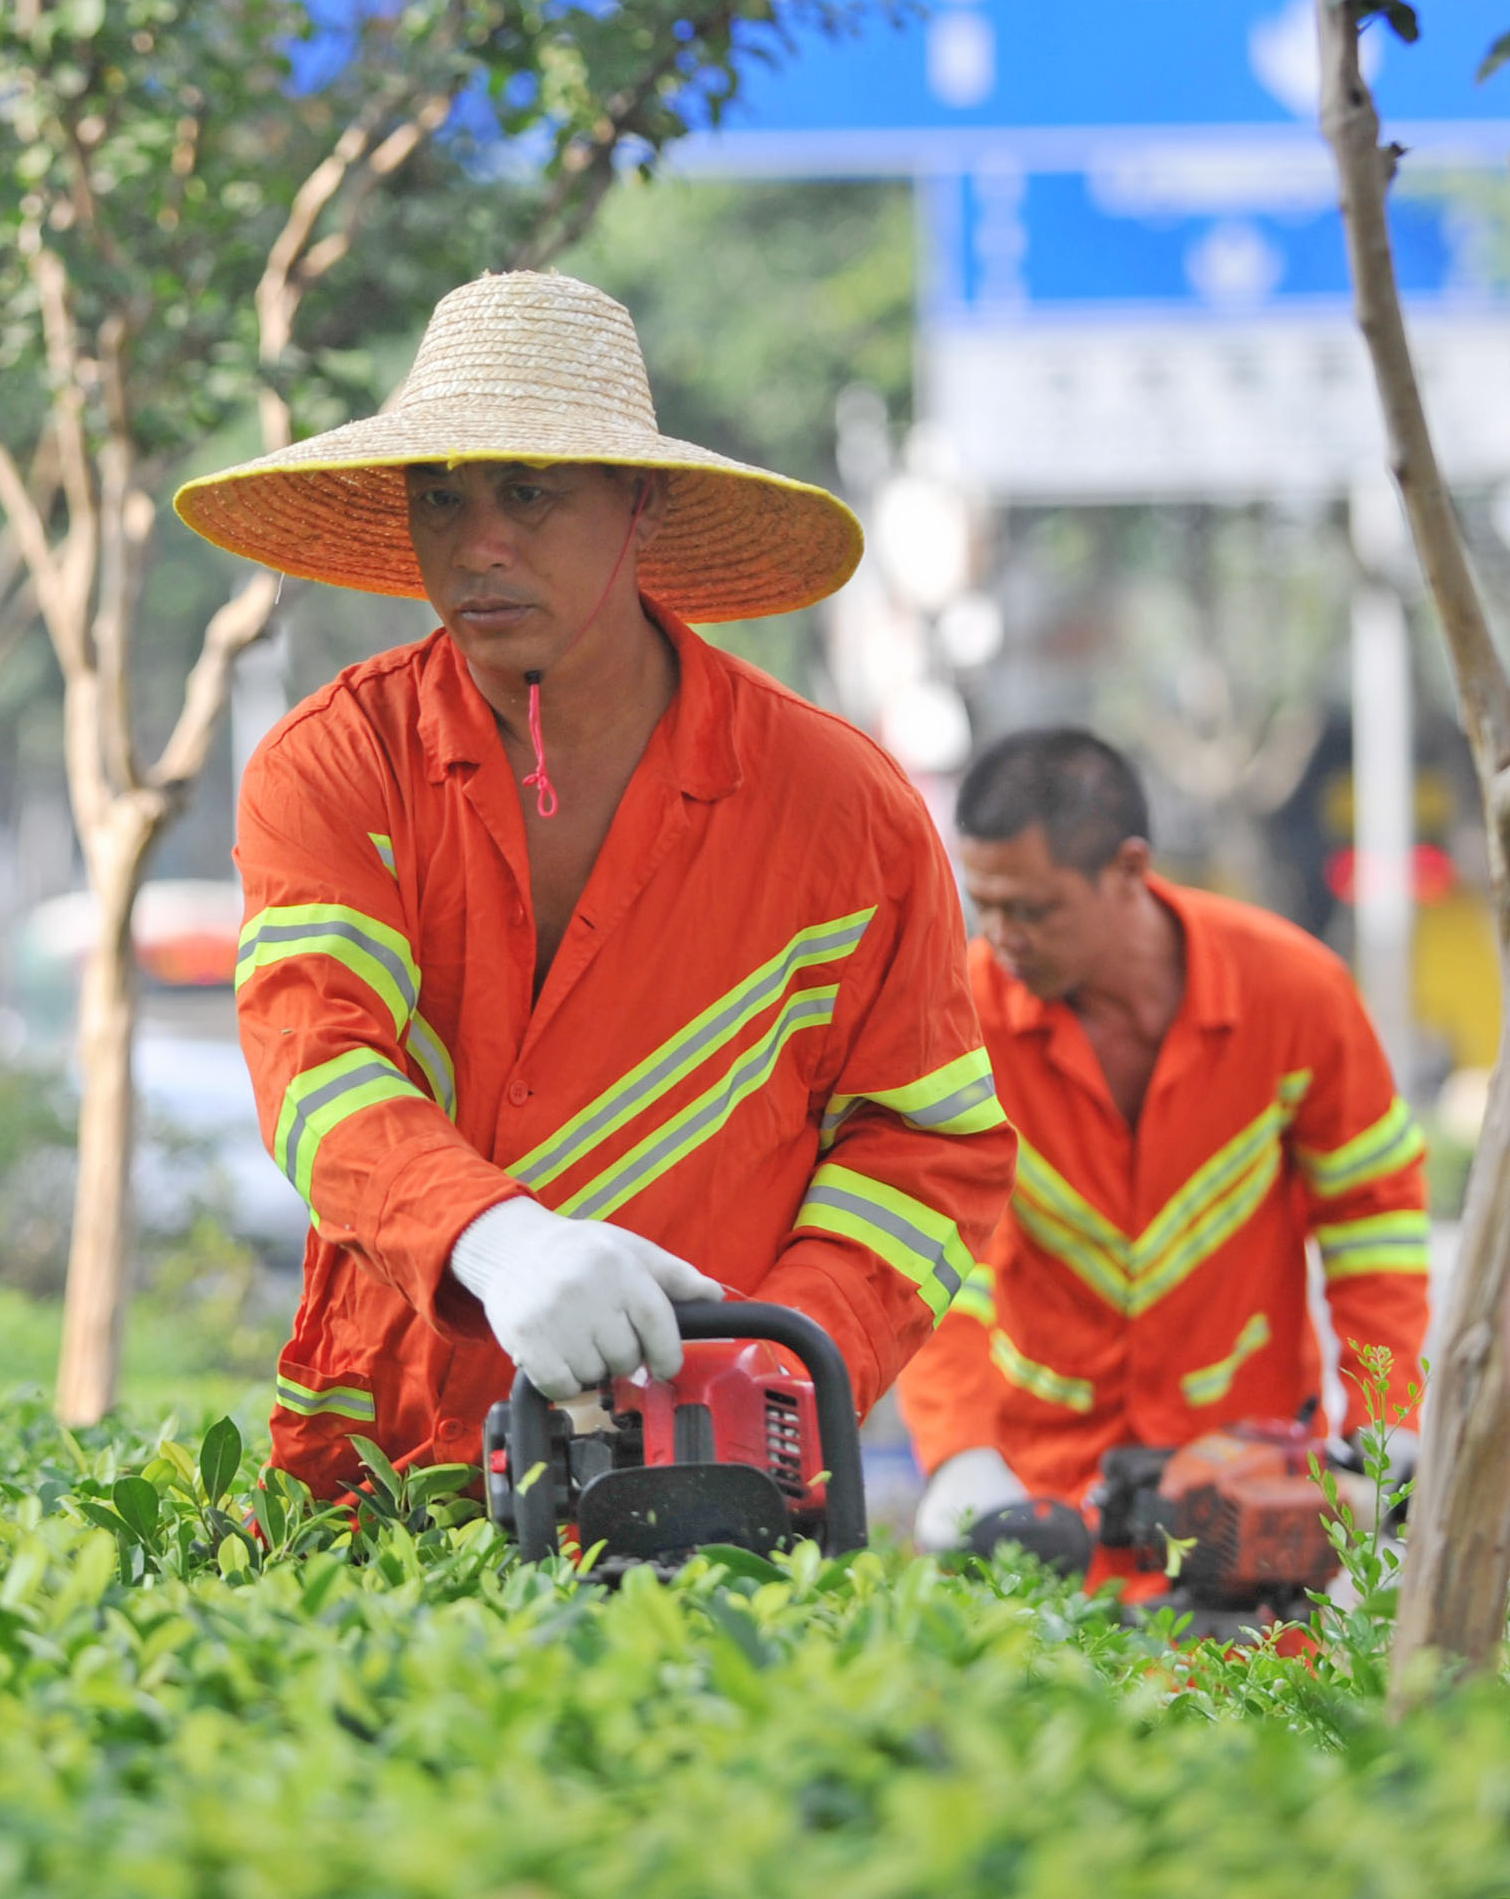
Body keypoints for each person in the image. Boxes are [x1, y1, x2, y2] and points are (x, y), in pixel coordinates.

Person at [171, 270, 1013, 1499]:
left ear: (643, 506)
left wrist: (772, 1365)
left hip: (719, 1479)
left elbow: (925, 1143)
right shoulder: (338, 766)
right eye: (440, 496)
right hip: (381, 1469)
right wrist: (497, 1245)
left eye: (528, 492)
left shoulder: (842, 808)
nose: (476, 544)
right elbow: (317, 1064)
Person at [901, 729, 1431, 1552]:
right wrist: (959, 1453)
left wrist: (1388, 1415)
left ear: (1129, 869)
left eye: (1032, 909)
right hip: (1046, 1496)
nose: (1002, 937)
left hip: (1249, 1481)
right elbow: (937, 1259)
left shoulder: (1296, 994)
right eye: (987, 905)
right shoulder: (959, 1019)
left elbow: (1374, 1218)